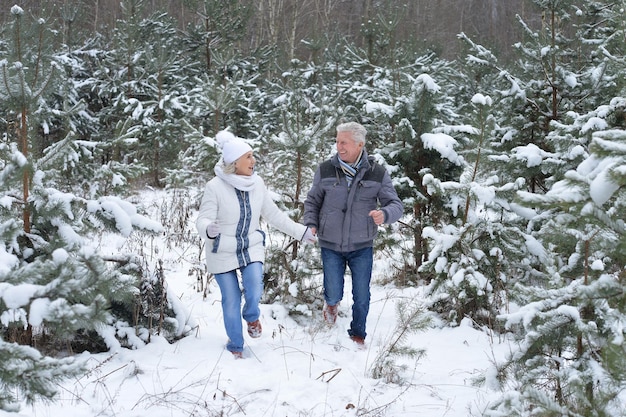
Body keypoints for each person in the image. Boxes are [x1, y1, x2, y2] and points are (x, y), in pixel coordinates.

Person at [196, 130, 316, 359]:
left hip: (250, 245)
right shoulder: (215, 186)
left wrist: (301, 233)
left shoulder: (257, 184)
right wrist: (208, 229)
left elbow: (275, 216)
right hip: (221, 249)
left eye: (253, 156)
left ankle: (252, 315)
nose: (253, 161)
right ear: (235, 162)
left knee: (254, 285)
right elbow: (202, 219)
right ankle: (236, 346)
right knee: (230, 298)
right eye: (248, 156)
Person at [304, 122, 403, 346]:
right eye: (337, 141)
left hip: (361, 244)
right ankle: (331, 303)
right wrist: (311, 223)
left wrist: (385, 214)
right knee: (333, 290)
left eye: (344, 142)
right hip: (330, 243)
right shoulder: (326, 169)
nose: (339, 147)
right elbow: (312, 201)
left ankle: (358, 333)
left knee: (362, 294)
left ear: (360, 144)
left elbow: (395, 204)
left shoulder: (377, 173)